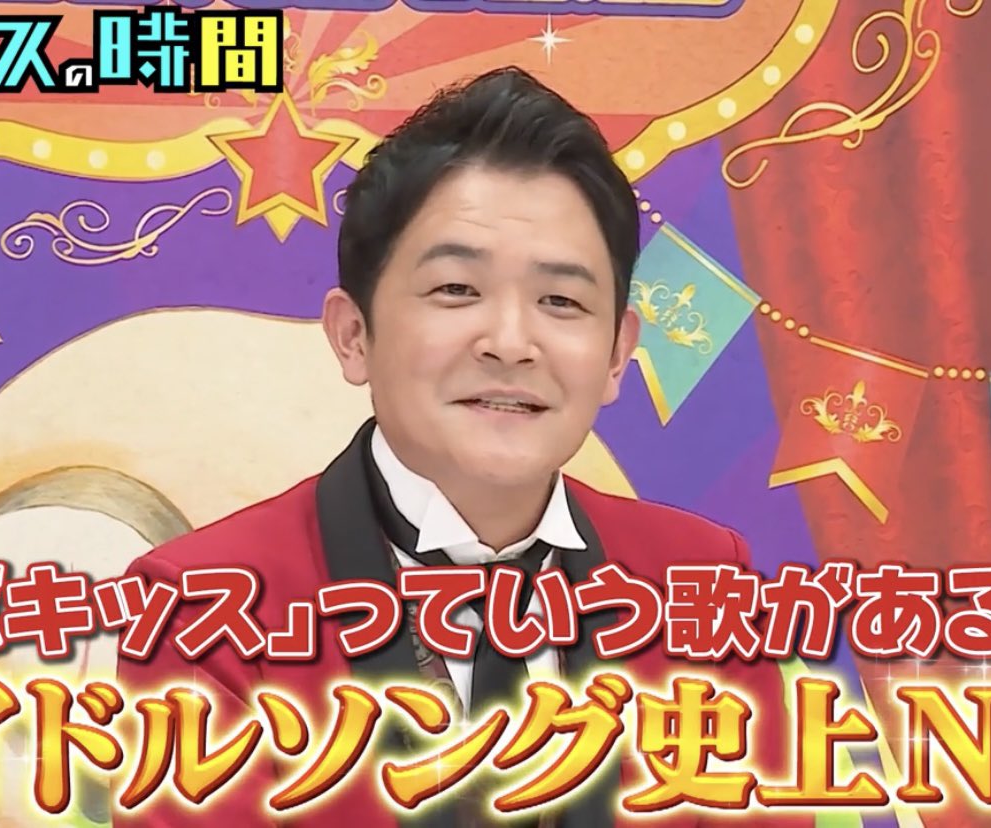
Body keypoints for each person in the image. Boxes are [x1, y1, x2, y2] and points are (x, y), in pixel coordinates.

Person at [114, 66, 803, 827]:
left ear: (616, 355)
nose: (510, 341)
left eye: (561, 300)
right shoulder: (202, 606)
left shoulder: (703, 583)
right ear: (353, 335)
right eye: (456, 290)